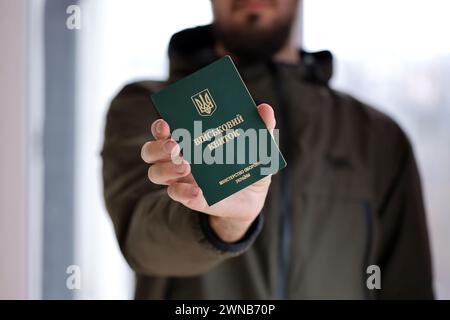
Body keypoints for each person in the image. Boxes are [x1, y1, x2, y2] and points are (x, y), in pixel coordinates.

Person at [101, 0, 433, 299]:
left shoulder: (375, 135)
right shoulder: (147, 110)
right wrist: (225, 225)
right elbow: (144, 247)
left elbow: (409, 285)